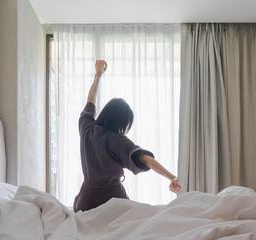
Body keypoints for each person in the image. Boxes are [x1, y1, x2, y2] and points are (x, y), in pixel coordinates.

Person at [73, 60, 181, 212]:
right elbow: (146, 159)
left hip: (86, 201)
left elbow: (91, 100)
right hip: (114, 201)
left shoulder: (87, 129)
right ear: (122, 123)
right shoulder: (118, 141)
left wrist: (98, 75)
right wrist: (172, 177)